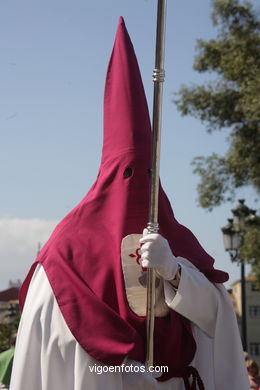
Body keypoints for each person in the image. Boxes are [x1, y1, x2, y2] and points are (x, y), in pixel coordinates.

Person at [10, 17, 249, 390]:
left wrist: (176, 273)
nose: (136, 188)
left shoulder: (181, 246)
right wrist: (138, 375)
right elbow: (41, 351)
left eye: (146, 175)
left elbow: (218, 320)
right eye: (126, 174)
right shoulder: (64, 256)